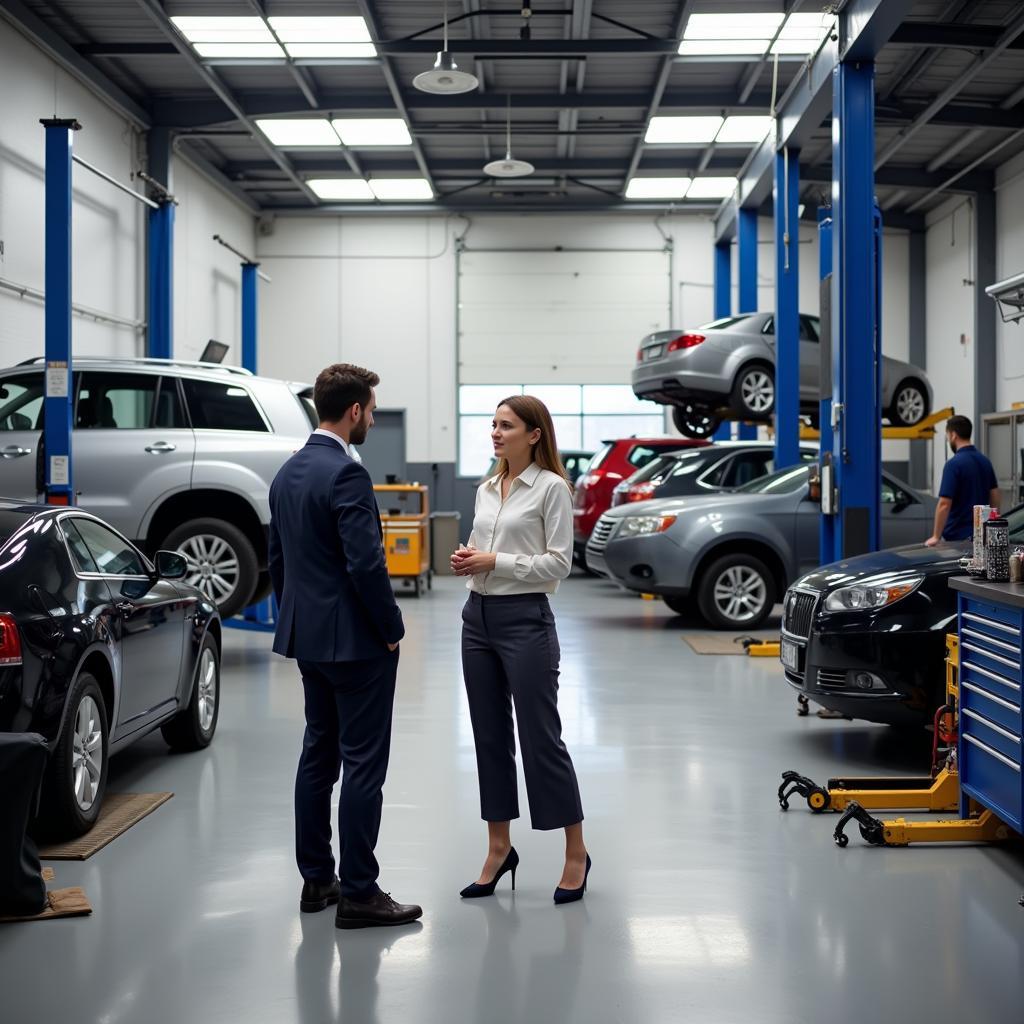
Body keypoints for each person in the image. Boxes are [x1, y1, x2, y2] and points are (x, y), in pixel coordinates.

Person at [268, 363, 422, 930]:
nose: (374, 419)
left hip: (310, 641)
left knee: (317, 757)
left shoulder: (287, 473)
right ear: (354, 410)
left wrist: (297, 620)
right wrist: (391, 626)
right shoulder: (347, 475)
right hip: (358, 645)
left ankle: (316, 882)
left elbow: (278, 561)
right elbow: (366, 564)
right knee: (363, 765)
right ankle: (359, 891)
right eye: (372, 410)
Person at [452, 395, 590, 905]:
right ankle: (498, 848)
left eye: (505, 426)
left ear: (534, 435)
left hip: (525, 621)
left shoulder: (551, 489)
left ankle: (575, 853)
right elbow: (482, 546)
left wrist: (496, 560)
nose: (495, 432)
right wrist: (469, 558)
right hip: (477, 620)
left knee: (541, 739)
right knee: (489, 739)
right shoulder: (488, 487)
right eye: (492, 424)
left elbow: (559, 563)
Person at [925, 414, 1000, 547]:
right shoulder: (985, 461)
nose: (949, 440)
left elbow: (944, 504)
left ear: (953, 435)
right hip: (982, 537)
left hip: (957, 540)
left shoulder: (953, 464)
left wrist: (936, 536)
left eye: (948, 436)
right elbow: (994, 496)